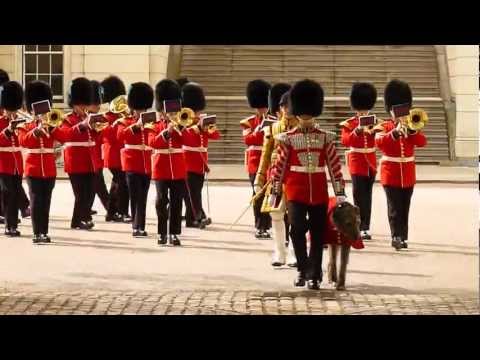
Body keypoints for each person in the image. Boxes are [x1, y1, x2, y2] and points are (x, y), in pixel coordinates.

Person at [271, 79, 346, 290]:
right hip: (295, 190)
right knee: (296, 229)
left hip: (319, 192)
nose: (305, 116)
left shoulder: (325, 138)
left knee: (318, 232)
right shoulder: (287, 138)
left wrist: (339, 192)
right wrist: (275, 191)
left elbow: (334, 166)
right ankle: (302, 268)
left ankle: (314, 274)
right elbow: (280, 165)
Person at [375, 79, 427, 250]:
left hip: (408, 174)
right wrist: (395, 133)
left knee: (405, 207)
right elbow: (380, 143)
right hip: (390, 174)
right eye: (396, 110)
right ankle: (396, 236)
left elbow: (422, 142)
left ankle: (403, 237)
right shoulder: (384, 126)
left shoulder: (412, 124)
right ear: (390, 110)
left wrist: (412, 131)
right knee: (394, 207)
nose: (400, 113)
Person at [17, 81, 67, 243]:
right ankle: (37, 233)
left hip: (49, 169)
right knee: (36, 202)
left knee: (46, 203)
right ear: (32, 109)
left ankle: (43, 232)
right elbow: (23, 141)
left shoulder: (52, 124)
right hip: (33, 169)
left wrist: (52, 127)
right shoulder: (26, 125)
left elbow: (65, 137)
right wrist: (35, 132)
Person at [254, 85, 297, 267]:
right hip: (276, 178)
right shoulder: (272, 129)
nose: (286, 110)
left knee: (295, 217)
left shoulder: (301, 128)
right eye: (284, 106)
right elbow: (265, 154)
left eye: (289, 106)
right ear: (280, 108)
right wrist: (259, 178)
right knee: (276, 215)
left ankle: (295, 252)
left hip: (295, 179)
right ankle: (279, 251)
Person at [148, 79, 185, 246]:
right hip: (161, 168)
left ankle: (175, 233)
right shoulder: (155, 125)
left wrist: (182, 128)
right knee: (161, 201)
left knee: (177, 202)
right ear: (162, 111)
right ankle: (162, 233)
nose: (171, 114)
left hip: (178, 168)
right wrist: (166, 132)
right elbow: (153, 142)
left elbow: (190, 141)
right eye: (168, 111)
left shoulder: (183, 124)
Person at [339, 82, 378, 240]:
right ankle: (359, 225)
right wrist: (357, 131)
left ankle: (365, 227)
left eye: (365, 108)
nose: (363, 111)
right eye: (361, 109)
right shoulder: (350, 124)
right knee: (358, 195)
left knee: (367, 196)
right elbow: (345, 141)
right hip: (357, 162)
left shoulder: (376, 122)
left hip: (371, 162)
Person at [60, 77, 99, 230]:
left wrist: (96, 128)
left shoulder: (88, 118)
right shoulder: (67, 119)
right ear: (73, 104)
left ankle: (78, 220)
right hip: (75, 160)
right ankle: (82, 219)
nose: (83, 107)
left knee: (89, 192)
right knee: (80, 193)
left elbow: (95, 138)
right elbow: (66, 135)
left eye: (84, 104)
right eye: (80, 104)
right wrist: (82, 126)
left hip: (89, 159)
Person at [181, 82, 220, 229]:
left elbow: (216, 135)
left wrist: (207, 128)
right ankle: (198, 217)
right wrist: (196, 128)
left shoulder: (202, 121)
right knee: (193, 192)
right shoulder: (184, 119)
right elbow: (184, 137)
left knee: (196, 191)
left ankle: (191, 220)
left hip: (201, 162)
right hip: (188, 160)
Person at [117, 82, 153, 237]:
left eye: (143, 109)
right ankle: (136, 226)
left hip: (147, 163)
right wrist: (136, 127)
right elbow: (120, 136)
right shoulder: (125, 121)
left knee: (143, 197)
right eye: (138, 109)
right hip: (132, 163)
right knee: (135, 196)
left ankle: (141, 226)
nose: (141, 112)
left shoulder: (151, 122)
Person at [240, 79, 273, 239]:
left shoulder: (274, 121)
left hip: (271, 162)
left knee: (271, 193)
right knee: (258, 194)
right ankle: (260, 226)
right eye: (260, 107)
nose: (263, 110)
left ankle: (268, 225)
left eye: (265, 106)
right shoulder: (249, 122)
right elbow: (248, 140)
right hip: (255, 162)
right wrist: (260, 129)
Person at [101, 75, 131, 223]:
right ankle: (122, 212)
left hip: (120, 154)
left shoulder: (122, 115)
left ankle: (112, 212)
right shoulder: (107, 117)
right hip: (114, 154)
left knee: (118, 183)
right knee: (123, 183)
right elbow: (111, 136)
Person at [0, 81, 25, 236]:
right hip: (3, 164)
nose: (12, 112)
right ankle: (9, 226)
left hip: (17, 163)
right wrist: (8, 130)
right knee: (8, 194)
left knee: (15, 194)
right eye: (10, 109)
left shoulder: (20, 121)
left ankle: (13, 225)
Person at [88, 80, 111, 218]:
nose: (98, 105)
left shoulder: (99, 117)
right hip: (88, 155)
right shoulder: (85, 117)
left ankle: (86, 207)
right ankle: (110, 208)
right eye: (95, 102)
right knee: (96, 184)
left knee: (95, 184)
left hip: (97, 154)